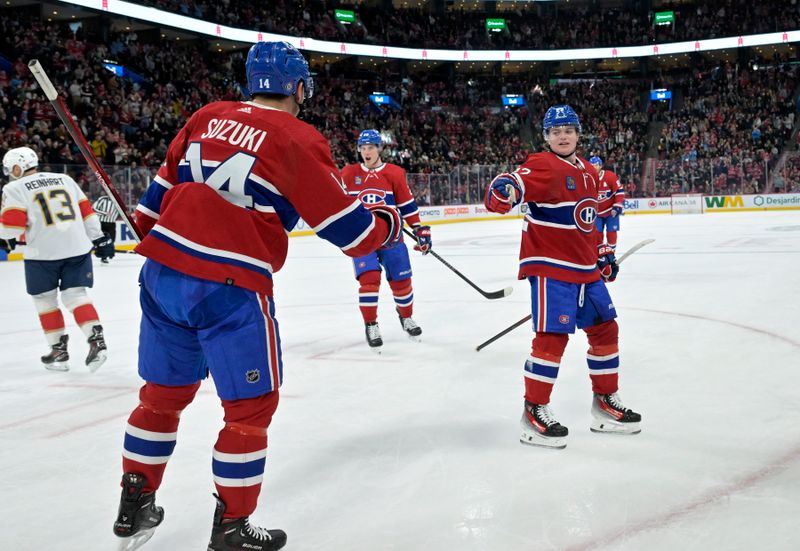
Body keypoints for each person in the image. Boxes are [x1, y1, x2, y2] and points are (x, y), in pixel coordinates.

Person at [112, 42, 403, 551]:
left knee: (160, 398)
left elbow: (147, 213)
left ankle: (133, 503)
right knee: (249, 410)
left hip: (162, 277)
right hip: (229, 284)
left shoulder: (206, 116)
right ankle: (230, 529)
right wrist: (387, 223)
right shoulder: (295, 135)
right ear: (297, 86)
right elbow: (351, 233)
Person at [484, 105, 641, 449]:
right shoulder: (542, 164)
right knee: (552, 339)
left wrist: (603, 255)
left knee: (605, 329)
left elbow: (590, 221)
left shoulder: (589, 170)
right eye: (555, 131)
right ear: (546, 137)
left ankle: (604, 403)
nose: (563, 135)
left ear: (578, 133)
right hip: (551, 267)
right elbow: (512, 182)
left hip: (585, 268)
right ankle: (534, 410)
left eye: (568, 129)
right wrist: (503, 190)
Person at [0, 146, 112, 372]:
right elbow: (87, 212)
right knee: (76, 295)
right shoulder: (64, 178)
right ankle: (96, 339)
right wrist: (98, 238)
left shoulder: (15, 187)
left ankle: (58, 351)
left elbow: (11, 228)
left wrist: (4, 237)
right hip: (77, 249)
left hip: (43, 254)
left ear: (17, 166)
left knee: (44, 300)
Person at [340, 129, 431, 350]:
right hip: (363, 240)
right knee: (369, 280)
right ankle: (371, 324)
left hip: (392, 238)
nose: (366, 152)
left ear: (380, 148)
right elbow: (338, 203)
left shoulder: (394, 173)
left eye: (370, 147)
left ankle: (406, 317)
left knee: (401, 282)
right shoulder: (349, 173)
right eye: (363, 148)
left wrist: (419, 229)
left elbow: (407, 205)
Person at [589, 155, 624, 251]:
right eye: (591, 165)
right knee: (597, 235)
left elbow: (619, 192)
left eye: (595, 165)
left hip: (610, 211)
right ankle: (600, 254)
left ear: (600, 166)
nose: (593, 167)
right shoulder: (587, 179)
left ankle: (611, 253)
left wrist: (617, 206)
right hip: (596, 213)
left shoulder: (610, 176)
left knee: (611, 233)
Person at [91, 194, 118, 263]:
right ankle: (103, 256)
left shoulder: (118, 201)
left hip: (112, 223)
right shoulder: (103, 199)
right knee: (102, 240)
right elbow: (93, 208)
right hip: (102, 223)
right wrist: (105, 213)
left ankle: (109, 253)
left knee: (112, 239)